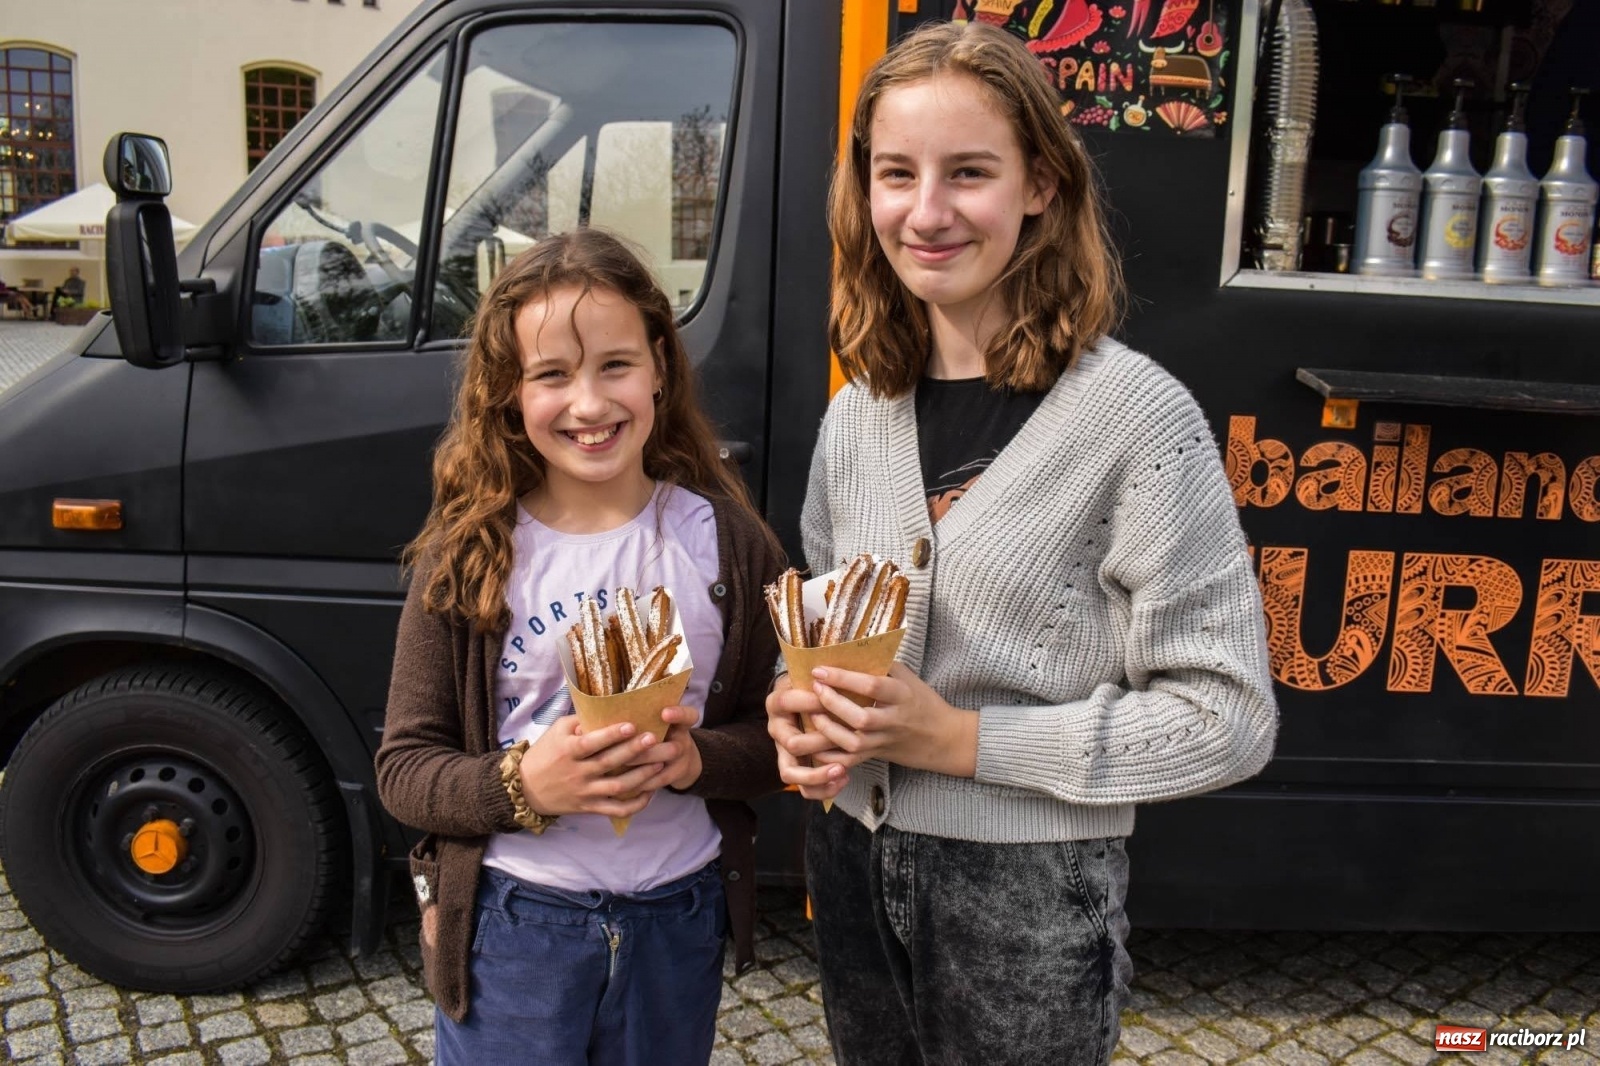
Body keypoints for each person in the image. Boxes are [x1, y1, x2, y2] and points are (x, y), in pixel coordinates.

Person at [766, 21, 1279, 1066]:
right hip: (850, 859)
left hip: (1027, 895)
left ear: (1040, 184)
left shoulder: (1136, 420)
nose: (927, 211)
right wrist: (800, 707)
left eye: (969, 173)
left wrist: (959, 742)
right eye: (895, 173)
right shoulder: (857, 415)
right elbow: (824, 636)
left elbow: (1228, 718)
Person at [375, 228, 786, 1065]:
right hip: (514, 923)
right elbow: (405, 770)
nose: (590, 405)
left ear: (660, 368)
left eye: (615, 366)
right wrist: (523, 782)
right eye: (552, 375)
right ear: (509, 392)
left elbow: (777, 737)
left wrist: (695, 761)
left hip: (677, 920)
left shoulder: (731, 546)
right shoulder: (471, 554)